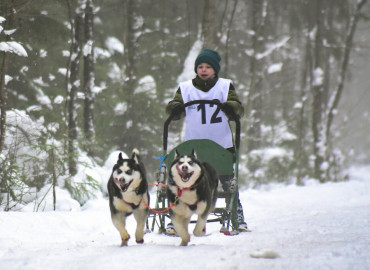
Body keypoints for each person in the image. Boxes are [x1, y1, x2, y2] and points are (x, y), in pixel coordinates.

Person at [165, 49, 249, 233]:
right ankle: (174, 218)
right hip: (193, 148)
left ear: (215, 69)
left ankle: (237, 216)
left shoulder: (225, 86)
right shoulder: (186, 88)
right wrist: (175, 108)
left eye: (208, 67)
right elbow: (174, 104)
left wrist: (231, 107)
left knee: (228, 182)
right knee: (182, 181)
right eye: (200, 66)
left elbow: (237, 107)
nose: (204, 70)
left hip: (221, 145)